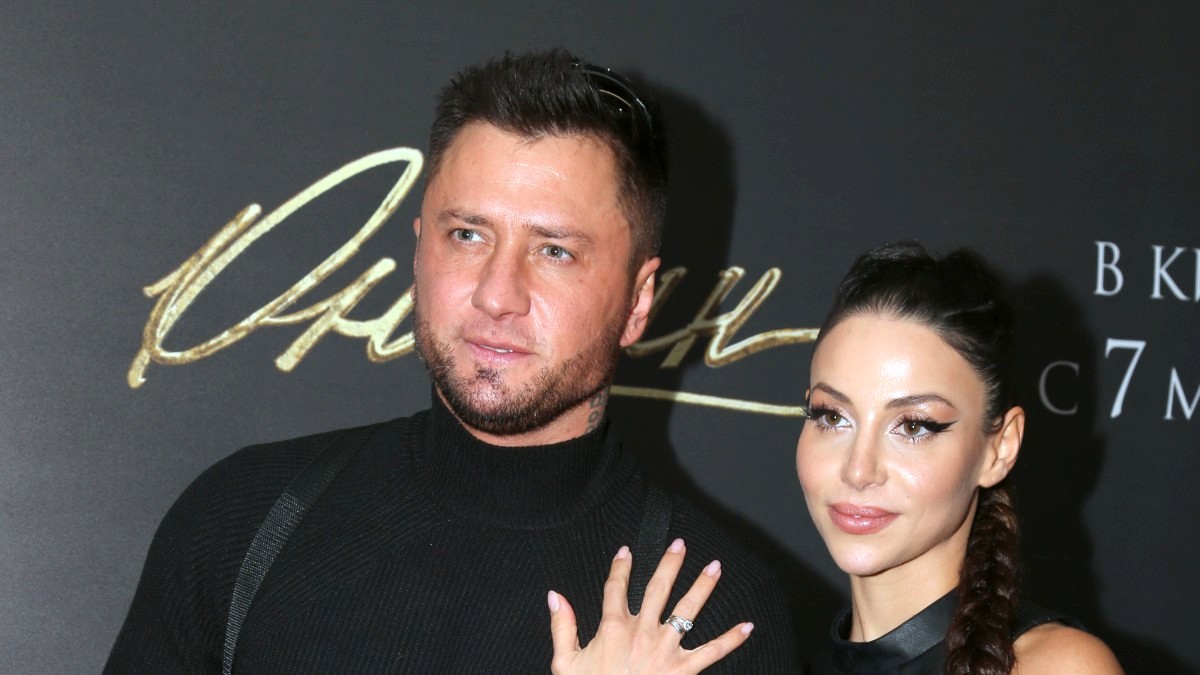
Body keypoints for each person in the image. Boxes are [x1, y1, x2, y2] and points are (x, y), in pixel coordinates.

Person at [103, 49, 799, 673]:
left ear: (638, 300)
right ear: (419, 251)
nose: (498, 294)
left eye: (554, 250)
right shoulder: (242, 522)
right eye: (467, 235)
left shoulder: (709, 619)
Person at [548, 241, 1122, 674]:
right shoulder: (777, 662)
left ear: (1000, 448)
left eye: (913, 426)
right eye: (832, 417)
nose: (858, 469)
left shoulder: (1057, 666)